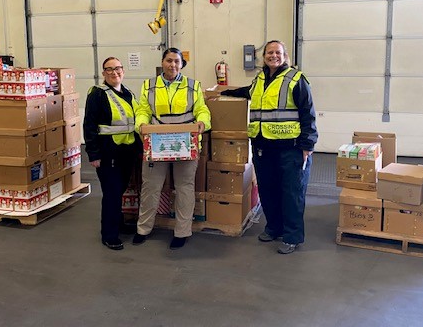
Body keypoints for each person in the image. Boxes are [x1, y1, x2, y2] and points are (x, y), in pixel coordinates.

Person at [221, 40, 318, 254]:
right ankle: (274, 228)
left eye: (278, 52)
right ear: (263, 56)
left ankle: (292, 236)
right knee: (268, 190)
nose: (273, 55)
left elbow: (308, 113)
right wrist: (228, 92)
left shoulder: (296, 79)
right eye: (269, 52)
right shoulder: (260, 79)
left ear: (285, 55)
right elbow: (249, 93)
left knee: (292, 193)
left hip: (291, 149)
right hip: (263, 147)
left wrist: (307, 145)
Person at [133, 47, 211, 250]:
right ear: (162, 62)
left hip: (185, 144)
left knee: (184, 188)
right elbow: (143, 109)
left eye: (177, 61)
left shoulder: (193, 86)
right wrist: (141, 124)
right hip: (156, 144)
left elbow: (202, 109)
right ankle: (143, 229)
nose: (173, 65)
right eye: (169, 60)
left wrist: (203, 123)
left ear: (182, 64)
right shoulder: (149, 86)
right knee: (150, 187)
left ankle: (182, 232)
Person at [83, 57, 142, 251]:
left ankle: (119, 224)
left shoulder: (128, 93)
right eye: (109, 69)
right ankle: (109, 235)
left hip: (127, 151)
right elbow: (89, 126)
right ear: (104, 73)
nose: (114, 72)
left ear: (123, 70)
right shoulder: (97, 95)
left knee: (120, 191)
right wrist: (93, 155)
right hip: (108, 153)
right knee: (111, 193)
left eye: (117, 68)